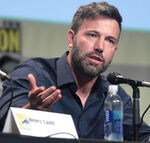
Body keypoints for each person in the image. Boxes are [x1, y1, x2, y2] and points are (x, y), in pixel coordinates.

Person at [0, 1, 150, 141]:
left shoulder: (116, 97)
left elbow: (143, 136)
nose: (100, 47)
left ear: (115, 50)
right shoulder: (34, 75)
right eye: (92, 35)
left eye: (110, 40)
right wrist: (28, 113)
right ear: (71, 39)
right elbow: (3, 124)